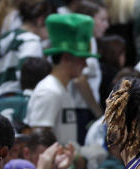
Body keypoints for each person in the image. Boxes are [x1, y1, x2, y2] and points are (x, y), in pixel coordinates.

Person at [26, 13, 97, 146]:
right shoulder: (49, 91)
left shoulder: (61, 90)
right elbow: (38, 143)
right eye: (82, 59)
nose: (86, 65)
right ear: (66, 58)